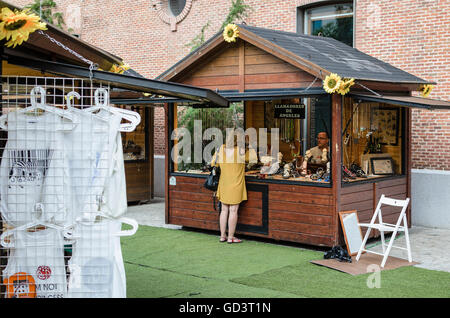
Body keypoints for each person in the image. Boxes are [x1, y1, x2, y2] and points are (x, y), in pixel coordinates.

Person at [211, 132, 247, 244]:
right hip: (236, 183)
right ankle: (231, 237)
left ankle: (222, 236)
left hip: (224, 183)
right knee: (233, 210)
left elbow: (213, 163)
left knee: (224, 210)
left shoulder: (220, 149)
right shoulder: (240, 150)